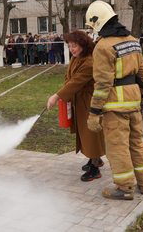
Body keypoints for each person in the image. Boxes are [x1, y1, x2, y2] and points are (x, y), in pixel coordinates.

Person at [85, 1, 143, 200]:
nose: (92, 31)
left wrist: (94, 113)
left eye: (91, 26)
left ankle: (124, 188)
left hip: (115, 107)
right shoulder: (132, 40)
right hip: (134, 103)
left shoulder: (103, 46)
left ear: (97, 23)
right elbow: (142, 73)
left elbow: (103, 83)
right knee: (136, 144)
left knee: (117, 147)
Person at [47, 30, 105, 182]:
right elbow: (69, 76)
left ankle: (95, 168)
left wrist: (56, 96)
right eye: (70, 46)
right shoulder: (77, 57)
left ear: (83, 45)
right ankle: (95, 158)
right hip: (79, 99)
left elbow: (76, 82)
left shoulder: (89, 61)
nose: (71, 49)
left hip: (89, 100)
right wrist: (65, 90)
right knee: (84, 132)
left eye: (74, 46)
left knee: (90, 133)